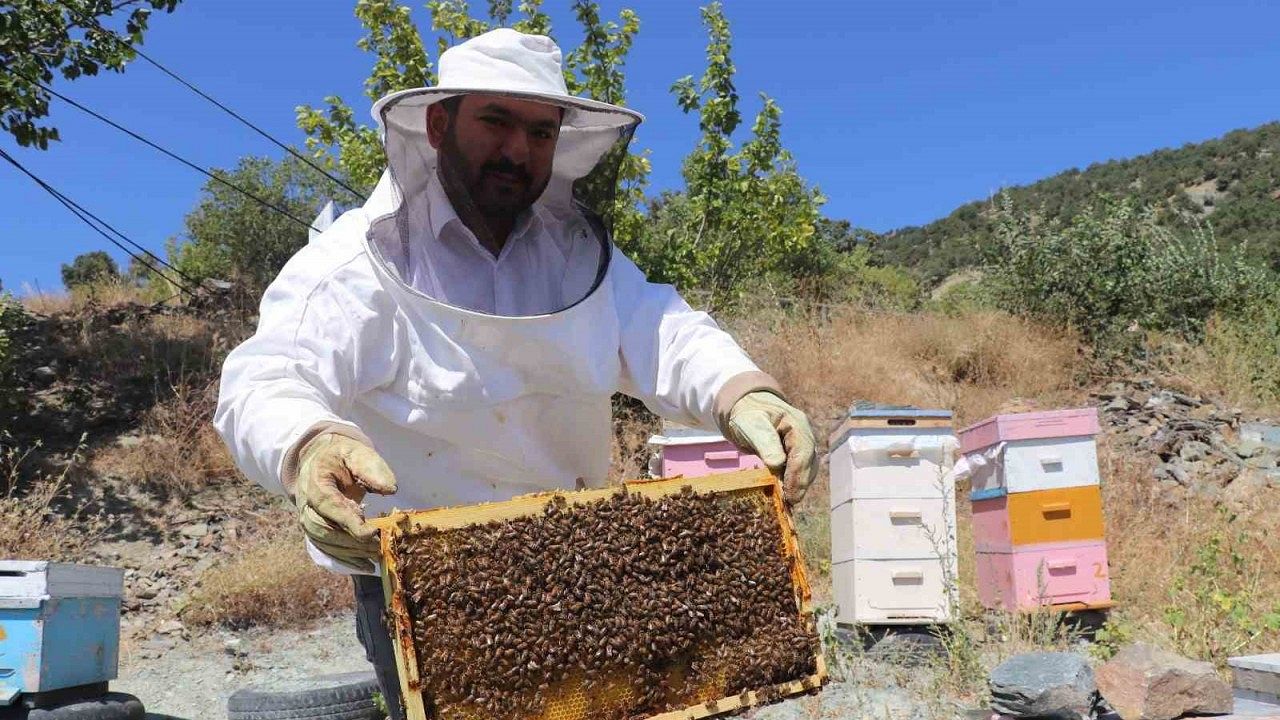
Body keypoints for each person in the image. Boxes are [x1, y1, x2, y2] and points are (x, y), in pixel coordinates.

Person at [214, 28, 817, 720]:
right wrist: (308, 446)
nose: (518, 151)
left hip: (585, 573)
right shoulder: (359, 262)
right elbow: (266, 376)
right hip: (425, 590)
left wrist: (744, 395)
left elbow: (665, 330)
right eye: (495, 121)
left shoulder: (576, 255)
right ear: (439, 125)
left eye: (540, 131)